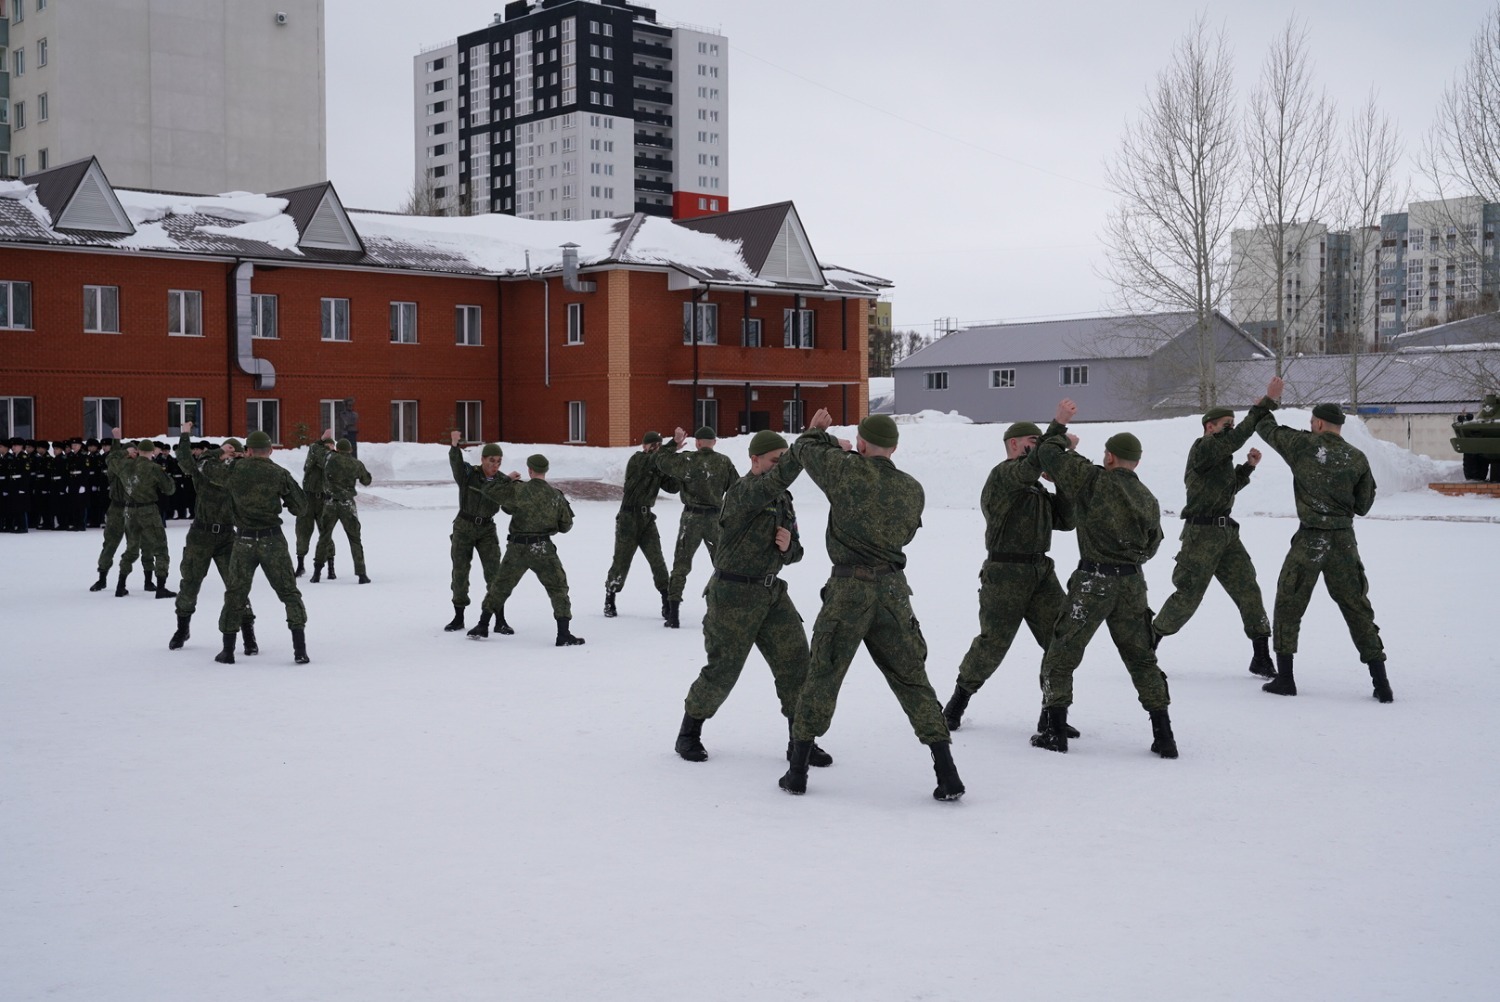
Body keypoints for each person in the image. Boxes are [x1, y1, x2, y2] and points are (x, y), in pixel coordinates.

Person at [780, 409, 964, 801]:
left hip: (848, 588)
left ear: (862, 443)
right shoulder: (912, 489)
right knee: (912, 678)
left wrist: (821, 432)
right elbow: (906, 535)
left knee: (823, 674)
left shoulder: (846, 470)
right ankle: (946, 771)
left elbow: (804, 449)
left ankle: (797, 772)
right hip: (893, 590)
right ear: (894, 448)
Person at [674, 430, 832, 769]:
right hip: (733, 595)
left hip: (771, 592)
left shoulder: (783, 499)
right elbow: (774, 482)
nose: (779, 466)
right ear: (754, 460)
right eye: (775, 460)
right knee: (723, 669)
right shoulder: (743, 492)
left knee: (797, 665)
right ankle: (689, 732)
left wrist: (788, 547)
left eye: (783, 460)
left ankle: (800, 741)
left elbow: (796, 551)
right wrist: (812, 436)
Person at [1030, 399, 1176, 758]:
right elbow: (1153, 544)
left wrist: (1060, 426)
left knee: (1062, 652)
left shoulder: (1093, 479)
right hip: (1132, 584)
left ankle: (1055, 731)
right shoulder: (1147, 497)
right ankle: (1164, 735)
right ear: (1136, 462)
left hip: (1093, 581)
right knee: (1141, 658)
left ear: (1109, 457)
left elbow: (1048, 453)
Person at [1252, 377, 1391, 702]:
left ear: (1317, 423)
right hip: (1343, 541)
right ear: (1339, 427)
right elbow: (1363, 506)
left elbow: (1264, 426)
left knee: (1289, 603)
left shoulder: (1301, 445)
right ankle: (1381, 683)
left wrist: (1268, 400)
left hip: (1310, 540)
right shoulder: (1357, 458)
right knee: (1357, 607)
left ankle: (1285, 679)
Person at [942, 419, 1077, 736]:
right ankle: (956, 705)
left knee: (1061, 640)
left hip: (1041, 572)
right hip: (1005, 573)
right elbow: (1028, 469)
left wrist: (1061, 480)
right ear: (1014, 444)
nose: (1038, 447)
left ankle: (1052, 713)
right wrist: (1058, 431)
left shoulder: (1037, 488)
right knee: (993, 644)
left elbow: (1067, 520)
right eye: (1033, 441)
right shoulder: (1003, 476)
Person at [1151, 405, 1275, 677]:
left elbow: (1225, 489)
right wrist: (1262, 407)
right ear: (1210, 426)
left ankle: (1262, 656)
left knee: (1248, 589)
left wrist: (1248, 468)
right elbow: (1234, 440)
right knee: (1188, 596)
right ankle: (1146, 649)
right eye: (1226, 424)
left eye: (1233, 423)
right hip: (1201, 535)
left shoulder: (1221, 455)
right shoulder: (1204, 447)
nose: (1232, 428)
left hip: (1226, 534)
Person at [202, 429, 310, 664]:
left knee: (235, 594)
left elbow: (205, 468)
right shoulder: (279, 473)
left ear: (248, 450)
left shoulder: (233, 469)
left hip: (244, 540)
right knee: (289, 592)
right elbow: (301, 507)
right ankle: (300, 649)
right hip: (273, 540)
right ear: (270, 450)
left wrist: (220, 452)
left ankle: (228, 650)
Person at [467, 454, 585, 646]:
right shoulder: (556, 495)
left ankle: (482, 625)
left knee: (500, 585)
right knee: (558, 588)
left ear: (529, 470)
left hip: (517, 547)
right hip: (542, 548)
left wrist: (506, 479)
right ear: (546, 471)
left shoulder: (518, 490)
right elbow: (566, 526)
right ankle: (563, 634)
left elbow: (489, 490)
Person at [168, 423, 255, 655]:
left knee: (236, 585)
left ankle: (248, 633)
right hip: (201, 535)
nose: (229, 458)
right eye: (227, 453)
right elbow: (184, 460)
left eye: (234, 455)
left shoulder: (239, 473)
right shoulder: (205, 469)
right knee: (190, 582)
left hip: (227, 536)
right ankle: (182, 628)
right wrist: (185, 435)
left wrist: (237, 457)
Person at [654, 425, 738, 628]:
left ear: (698, 443)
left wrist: (673, 443)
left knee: (681, 565)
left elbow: (661, 460)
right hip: (715, 519)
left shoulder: (687, 460)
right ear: (714, 442)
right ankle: (727, 610)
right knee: (723, 565)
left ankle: (673, 614)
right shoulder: (724, 462)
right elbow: (736, 490)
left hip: (691, 518)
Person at [604, 431, 678, 620]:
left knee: (657, 560)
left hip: (646, 519)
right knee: (621, 561)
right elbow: (650, 461)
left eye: (659, 445)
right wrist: (672, 446)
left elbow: (672, 487)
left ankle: (666, 601)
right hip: (628, 518)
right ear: (644, 446)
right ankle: (610, 599)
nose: (656, 448)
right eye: (653, 445)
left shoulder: (658, 463)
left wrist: (676, 467)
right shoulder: (637, 460)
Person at [443, 430, 506, 633]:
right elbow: (456, 464)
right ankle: (458, 617)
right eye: (491, 460)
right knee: (460, 573)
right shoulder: (469, 474)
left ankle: (500, 619)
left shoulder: (502, 480)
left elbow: (511, 505)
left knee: (494, 574)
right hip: (464, 527)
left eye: (499, 461)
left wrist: (511, 486)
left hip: (487, 529)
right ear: (483, 459)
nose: (495, 465)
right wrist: (455, 445)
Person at [116, 439, 178, 599]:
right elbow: (169, 489)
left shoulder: (124, 465)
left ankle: (120, 585)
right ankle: (161, 587)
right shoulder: (153, 467)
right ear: (151, 452)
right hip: (147, 510)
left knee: (131, 548)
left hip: (129, 511)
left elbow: (111, 460)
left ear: (137, 451)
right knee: (160, 548)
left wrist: (124, 453)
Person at [312, 433, 372, 584]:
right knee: (354, 539)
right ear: (350, 450)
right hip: (347, 504)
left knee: (324, 537)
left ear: (337, 449)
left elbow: (316, 452)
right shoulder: (356, 464)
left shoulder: (328, 459)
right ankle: (361, 574)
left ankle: (317, 573)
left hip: (330, 504)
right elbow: (366, 481)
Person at [91, 431, 138, 590]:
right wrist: (121, 447)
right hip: (117, 508)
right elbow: (111, 458)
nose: (133, 454)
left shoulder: (139, 467)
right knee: (110, 544)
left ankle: (128, 580)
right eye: (130, 452)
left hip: (134, 509)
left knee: (135, 546)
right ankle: (102, 577)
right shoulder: (115, 466)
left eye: (134, 452)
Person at [294, 432, 333, 578]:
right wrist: (320, 442)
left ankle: (331, 566)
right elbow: (314, 451)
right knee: (302, 532)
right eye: (327, 445)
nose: (329, 448)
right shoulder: (314, 453)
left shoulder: (333, 459)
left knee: (326, 533)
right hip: (308, 498)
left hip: (324, 499)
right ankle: (300, 565)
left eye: (331, 445)